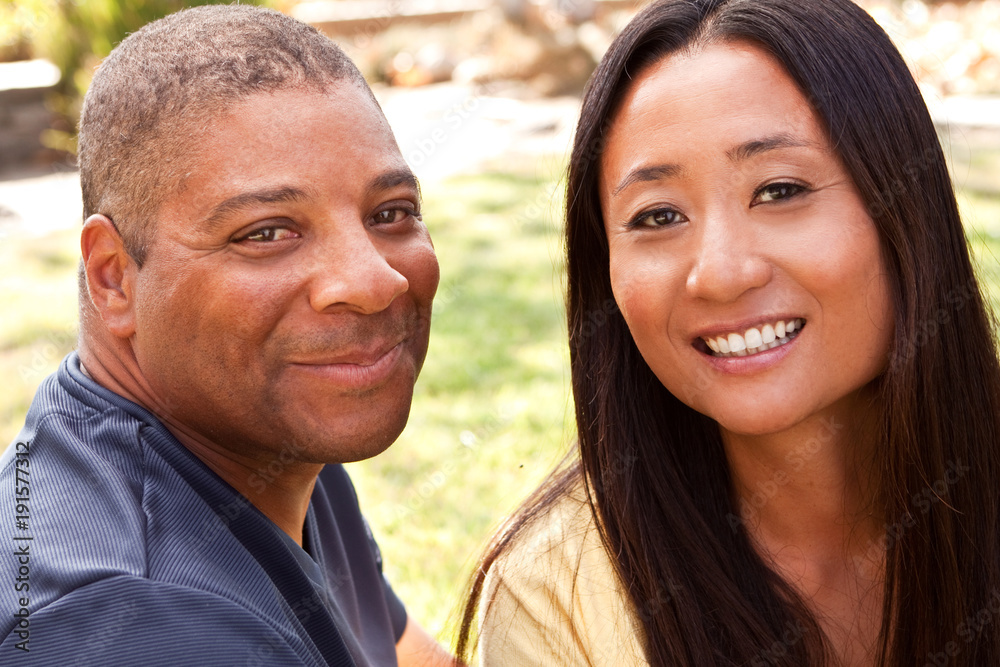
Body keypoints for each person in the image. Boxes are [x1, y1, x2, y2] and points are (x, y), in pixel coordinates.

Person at [458, 0, 1000, 665]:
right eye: (657, 216)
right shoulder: (557, 596)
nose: (719, 273)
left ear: (904, 207)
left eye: (778, 190)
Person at [0, 5, 457, 666]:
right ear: (113, 278)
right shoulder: (132, 625)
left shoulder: (263, 433)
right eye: (267, 232)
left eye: (390, 213)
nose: (374, 280)